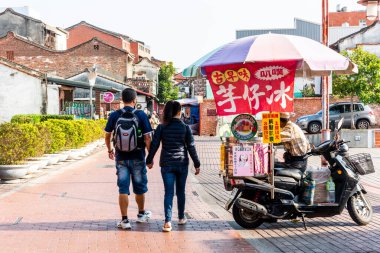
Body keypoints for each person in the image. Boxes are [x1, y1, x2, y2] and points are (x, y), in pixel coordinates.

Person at [146, 100, 201, 232]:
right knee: (181, 191)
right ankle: (181, 218)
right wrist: (197, 163)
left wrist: (149, 159)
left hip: (167, 163)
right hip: (182, 163)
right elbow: (191, 147)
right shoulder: (185, 127)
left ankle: (167, 222)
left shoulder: (161, 127)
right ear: (179, 111)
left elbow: (155, 145)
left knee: (168, 193)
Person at [104, 88, 153, 230]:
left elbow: (107, 135)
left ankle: (125, 221)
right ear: (134, 100)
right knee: (140, 187)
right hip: (138, 156)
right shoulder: (141, 115)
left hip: (120, 157)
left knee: (123, 188)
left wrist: (109, 150)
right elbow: (148, 137)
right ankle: (141, 214)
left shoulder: (114, 115)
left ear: (121, 100)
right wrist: (150, 157)